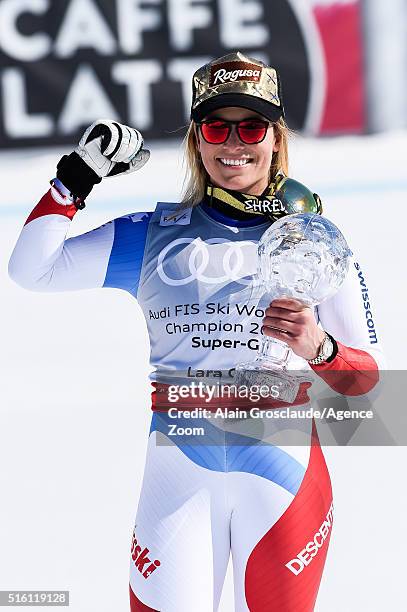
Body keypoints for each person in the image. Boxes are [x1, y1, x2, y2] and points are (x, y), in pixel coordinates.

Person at [9, 52, 383, 611]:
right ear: (197, 142)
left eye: (252, 126)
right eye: (216, 126)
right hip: (179, 474)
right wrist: (76, 176)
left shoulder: (317, 241)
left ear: (276, 140)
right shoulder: (150, 234)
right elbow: (30, 270)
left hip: (281, 477)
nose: (235, 142)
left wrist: (318, 347)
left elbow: (369, 390)